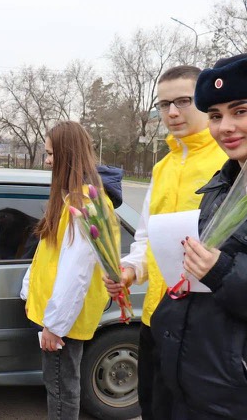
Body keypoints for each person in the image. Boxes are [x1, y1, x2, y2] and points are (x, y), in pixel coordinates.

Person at [104, 65, 227, 419]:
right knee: (153, 407)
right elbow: (146, 237)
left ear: (204, 102)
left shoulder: (229, 162)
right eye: (164, 104)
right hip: (156, 319)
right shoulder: (162, 167)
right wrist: (129, 270)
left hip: (205, 326)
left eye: (184, 101)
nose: (172, 113)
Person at [150, 53, 247, 419]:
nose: (225, 127)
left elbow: (220, 275)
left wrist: (221, 271)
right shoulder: (219, 187)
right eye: (217, 115)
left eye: (240, 111)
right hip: (189, 381)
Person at [25, 121, 117, 420]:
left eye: (51, 154)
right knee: (59, 386)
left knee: (62, 390)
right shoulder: (70, 198)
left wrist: (55, 325)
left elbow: (76, 272)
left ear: (68, 154)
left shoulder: (85, 203)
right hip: (58, 313)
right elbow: (49, 253)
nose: (47, 160)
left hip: (64, 319)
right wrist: (30, 288)